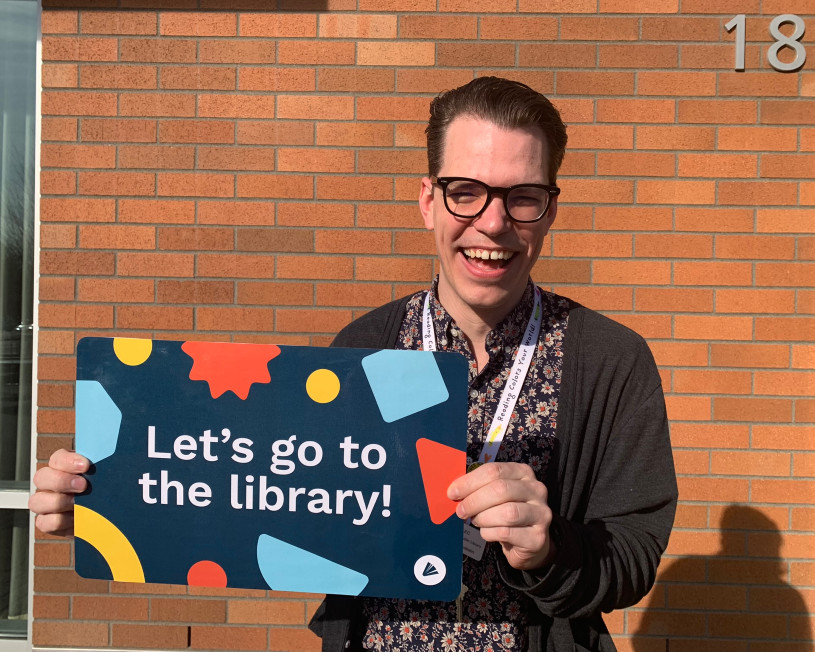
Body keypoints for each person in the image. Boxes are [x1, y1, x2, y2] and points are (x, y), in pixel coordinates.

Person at [30, 77, 677, 652]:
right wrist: (112, 499)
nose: (493, 222)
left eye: (522, 197)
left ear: (549, 210)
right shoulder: (361, 348)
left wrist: (547, 548)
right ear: (427, 200)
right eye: (464, 192)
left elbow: (631, 557)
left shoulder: (611, 360)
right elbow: (264, 492)